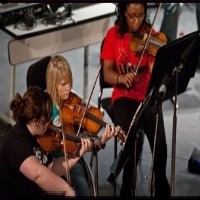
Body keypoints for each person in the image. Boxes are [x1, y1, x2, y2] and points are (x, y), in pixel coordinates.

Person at [100, 3, 170, 197]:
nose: (137, 21)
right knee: (132, 140)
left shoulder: (151, 35)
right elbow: (107, 74)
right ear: (123, 13)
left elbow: (156, 72)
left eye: (140, 16)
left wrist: (154, 61)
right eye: (132, 16)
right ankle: (127, 186)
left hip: (147, 96)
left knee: (160, 144)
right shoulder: (114, 35)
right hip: (124, 97)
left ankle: (161, 185)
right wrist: (121, 78)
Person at [46, 54, 122, 196]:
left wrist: (101, 141)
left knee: (80, 184)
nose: (69, 88)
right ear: (52, 83)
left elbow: (81, 141)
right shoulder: (45, 108)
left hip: (72, 158)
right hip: (51, 162)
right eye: (63, 84)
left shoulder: (73, 103)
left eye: (70, 82)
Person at [0, 86, 84, 197]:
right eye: (46, 120)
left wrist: (76, 154)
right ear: (36, 122)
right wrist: (65, 189)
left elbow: (51, 169)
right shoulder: (17, 141)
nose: (49, 123)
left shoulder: (40, 135)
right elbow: (37, 174)